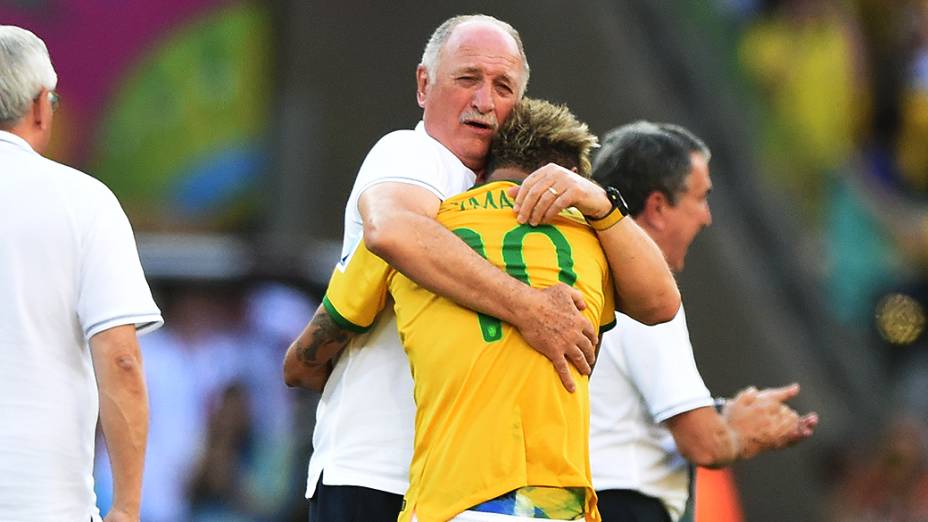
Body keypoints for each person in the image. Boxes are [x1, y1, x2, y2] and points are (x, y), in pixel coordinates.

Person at [286, 14, 679, 522]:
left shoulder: (538, 204)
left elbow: (660, 304)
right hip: (377, 473)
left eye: (502, 86)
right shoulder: (411, 154)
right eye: (467, 78)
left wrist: (600, 200)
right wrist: (530, 308)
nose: (484, 101)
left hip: (471, 487)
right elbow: (392, 231)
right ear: (424, 85)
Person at [292, 97, 619, 521]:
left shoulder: (418, 228)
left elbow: (299, 366)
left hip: (443, 492)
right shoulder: (594, 243)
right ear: (571, 179)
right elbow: (661, 302)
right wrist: (602, 209)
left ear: (483, 168)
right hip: (554, 502)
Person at [587, 121, 819, 522]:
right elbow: (704, 445)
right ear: (658, 208)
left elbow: (626, 413)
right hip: (625, 506)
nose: (707, 217)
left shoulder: (581, 274)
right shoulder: (647, 302)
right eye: (700, 198)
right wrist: (744, 434)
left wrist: (724, 413)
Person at [0, 25, 163, 522]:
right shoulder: (84, 203)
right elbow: (121, 361)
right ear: (40, 105)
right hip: (43, 504)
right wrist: (128, 508)